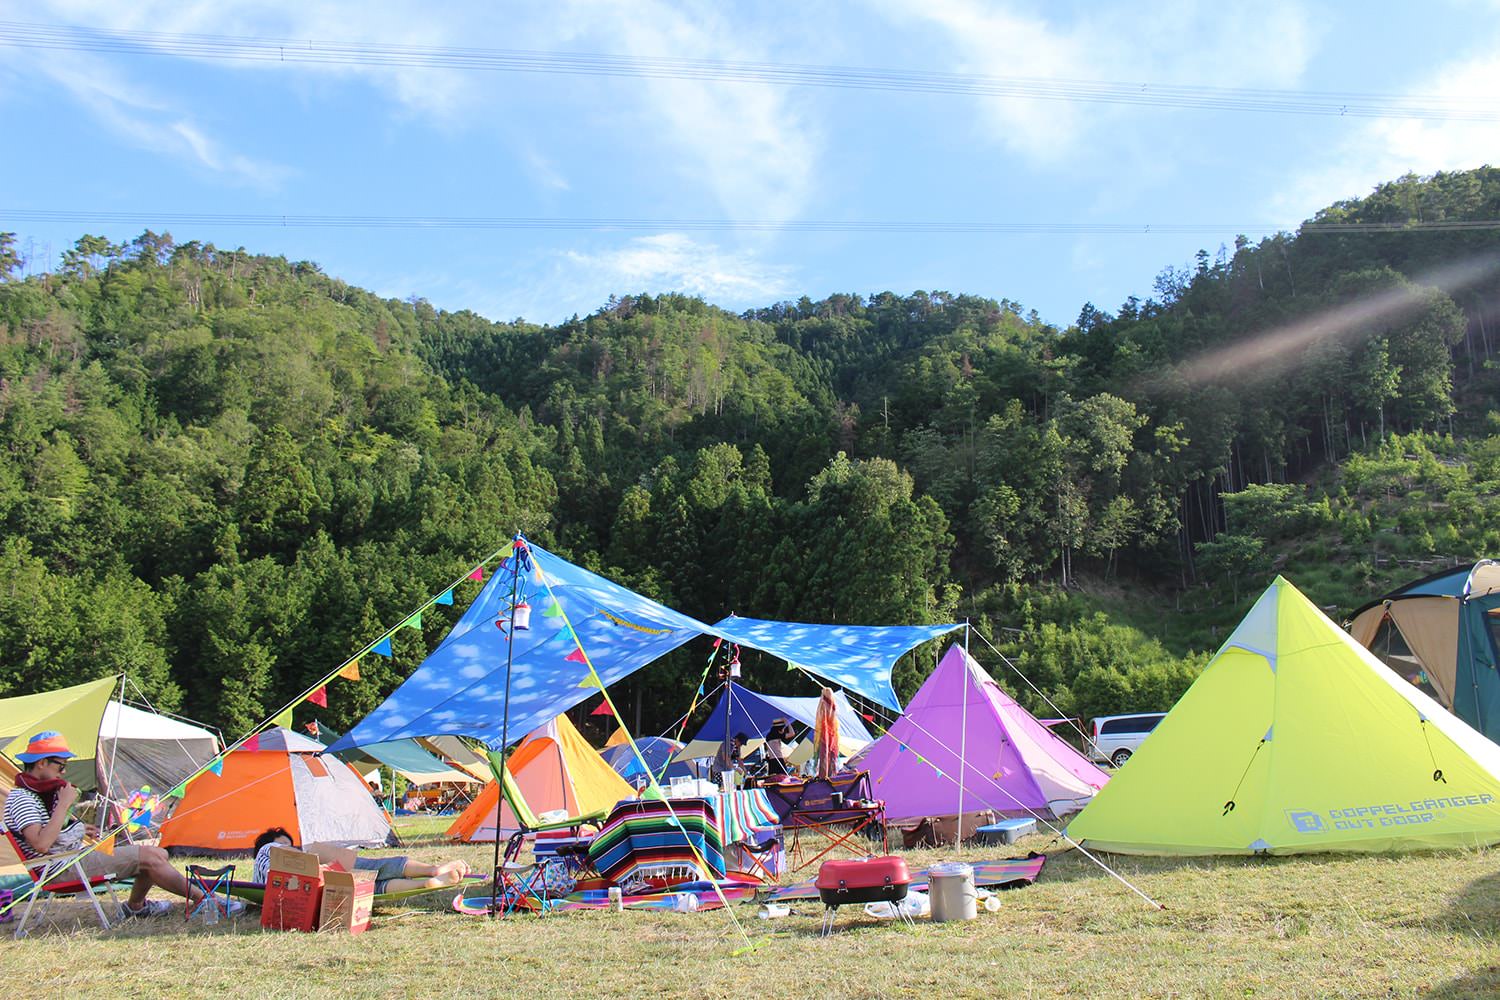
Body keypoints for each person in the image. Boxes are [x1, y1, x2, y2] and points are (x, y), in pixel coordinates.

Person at [2, 730, 244, 919]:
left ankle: (136, 907)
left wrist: (75, 829)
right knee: (149, 856)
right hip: (61, 869)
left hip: (72, 859)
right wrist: (64, 805)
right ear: (41, 763)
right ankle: (205, 902)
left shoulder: (37, 794)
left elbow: (48, 833)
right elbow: (41, 844)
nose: (64, 772)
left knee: (157, 852)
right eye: (60, 765)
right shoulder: (23, 798)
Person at [250, 827, 471, 894]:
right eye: (286, 843)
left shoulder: (256, 882)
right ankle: (433, 871)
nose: (291, 846)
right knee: (375, 867)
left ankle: (424, 883)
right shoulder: (267, 849)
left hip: (310, 892)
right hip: (312, 874)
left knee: (371, 889)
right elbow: (291, 858)